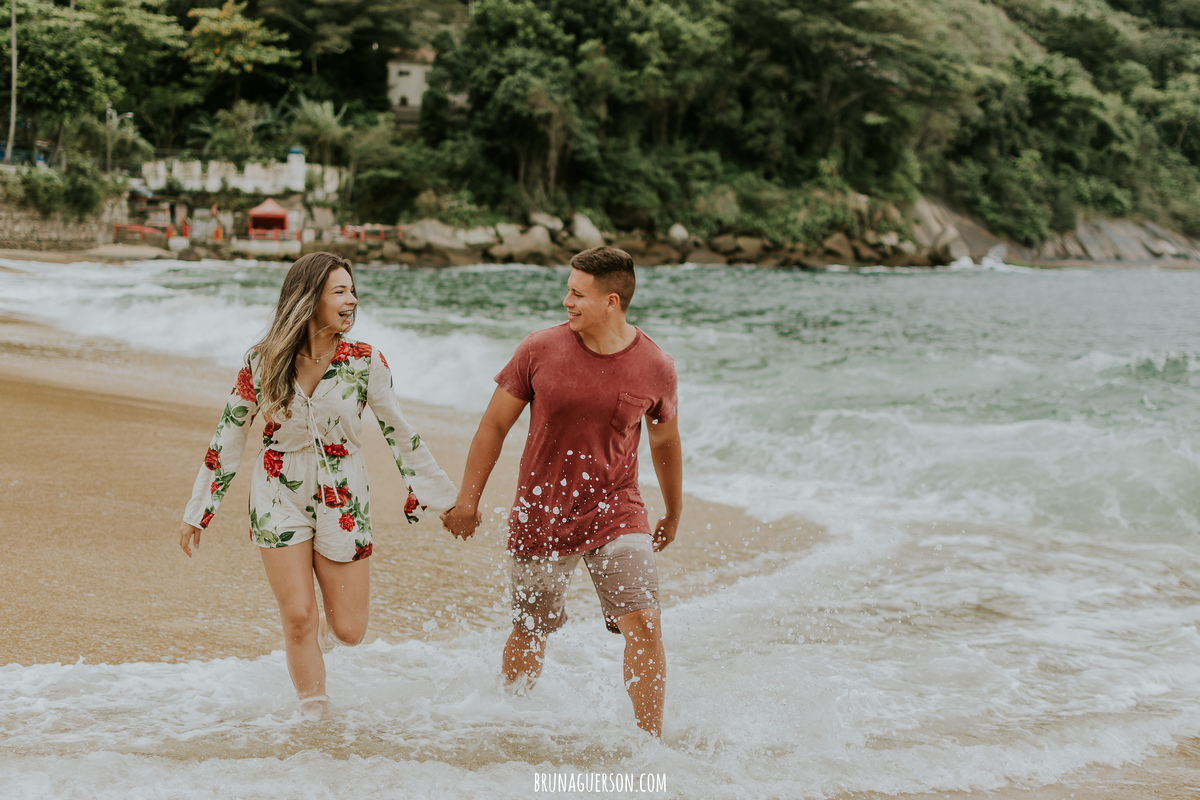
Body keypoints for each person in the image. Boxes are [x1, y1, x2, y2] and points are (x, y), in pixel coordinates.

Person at [178, 252, 457, 714]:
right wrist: (199, 511)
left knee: (349, 630)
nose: (352, 300)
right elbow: (228, 435)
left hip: (342, 493)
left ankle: (321, 635)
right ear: (310, 299)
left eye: (352, 290)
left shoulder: (365, 362)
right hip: (277, 488)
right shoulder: (261, 361)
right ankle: (315, 713)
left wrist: (443, 498)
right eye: (340, 291)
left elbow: (399, 432)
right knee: (299, 615)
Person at [441, 246, 682, 736]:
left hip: (617, 508)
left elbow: (665, 440)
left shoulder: (655, 365)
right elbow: (493, 426)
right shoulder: (539, 350)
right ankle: (510, 719)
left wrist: (674, 511)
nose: (566, 301)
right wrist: (469, 500)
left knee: (645, 621)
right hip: (541, 512)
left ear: (611, 301)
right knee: (532, 627)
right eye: (568, 290)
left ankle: (649, 745)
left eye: (577, 293)